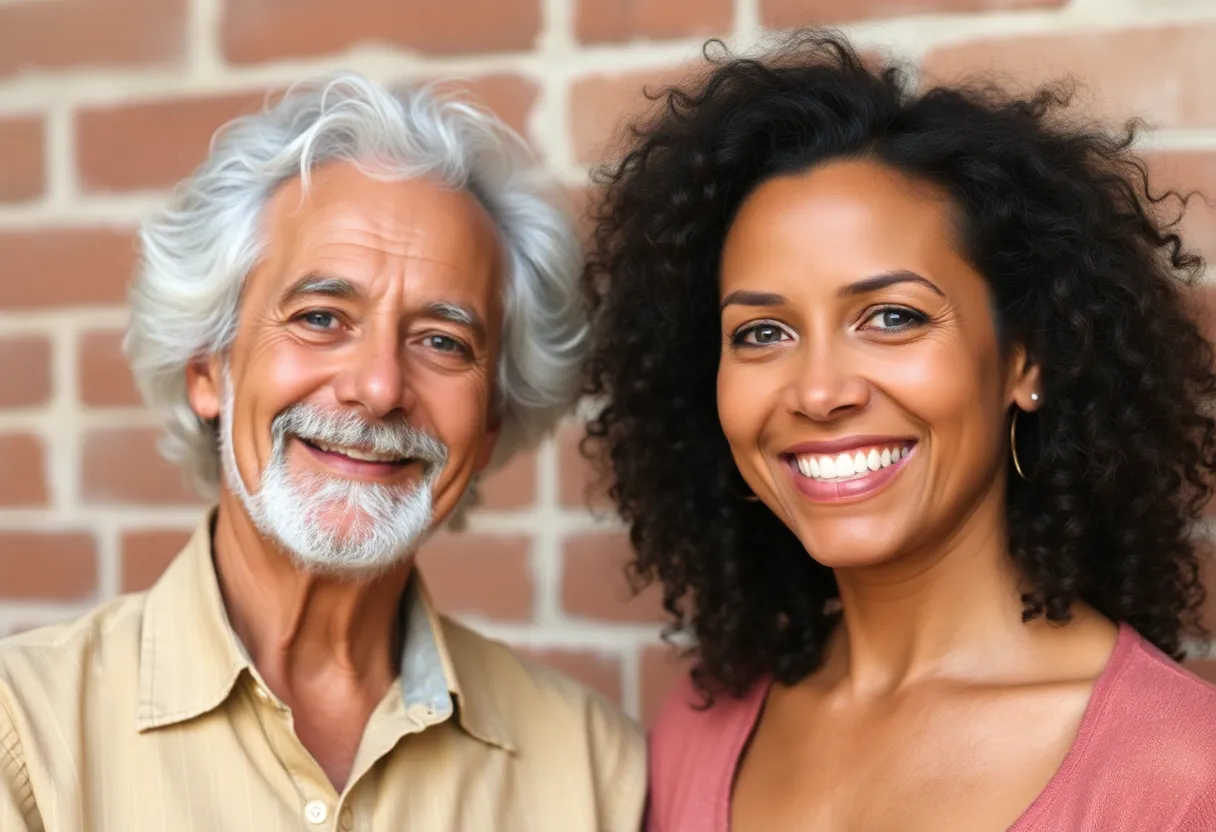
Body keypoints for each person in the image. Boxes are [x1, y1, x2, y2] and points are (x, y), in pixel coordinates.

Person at [581, 30, 1216, 831]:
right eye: (762, 333)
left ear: (1026, 360)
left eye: (891, 317)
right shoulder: (700, 731)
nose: (818, 391)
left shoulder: (1180, 776)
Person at [0, 72, 645, 831]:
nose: (377, 387)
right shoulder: (25, 732)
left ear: (493, 422)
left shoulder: (597, 771)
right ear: (209, 367)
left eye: (442, 341)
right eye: (320, 317)